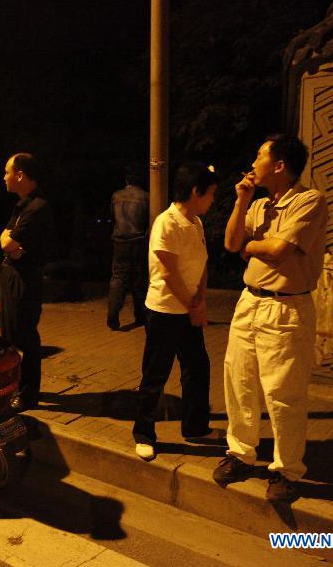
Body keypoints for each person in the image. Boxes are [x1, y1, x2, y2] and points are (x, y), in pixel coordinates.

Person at [214, 134, 328, 504]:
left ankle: (286, 470)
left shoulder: (309, 200)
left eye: (260, 155)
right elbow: (231, 243)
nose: (254, 162)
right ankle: (241, 453)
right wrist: (242, 200)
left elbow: (277, 251)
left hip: (286, 307)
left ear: (279, 165)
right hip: (250, 301)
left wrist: (252, 246)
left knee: (284, 393)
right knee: (239, 380)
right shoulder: (259, 204)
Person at [132, 162, 220, 461]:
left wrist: (202, 300)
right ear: (195, 192)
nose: (212, 200)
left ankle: (195, 427)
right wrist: (194, 307)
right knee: (155, 373)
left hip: (189, 308)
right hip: (165, 311)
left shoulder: (195, 223)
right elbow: (168, 273)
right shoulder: (166, 223)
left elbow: (203, 263)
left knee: (197, 368)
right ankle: (143, 433)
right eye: (210, 194)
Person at [0, 153, 53, 411]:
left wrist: (11, 244)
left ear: (20, 174)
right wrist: (10, 244)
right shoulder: (22, 205)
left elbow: (8, 242)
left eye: (7, 172)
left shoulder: (37, 207)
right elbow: (4, 240)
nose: (5, 177)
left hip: (25, 278)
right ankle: (14, 387)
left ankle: (28, 394)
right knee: (10, 334)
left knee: (24, 335)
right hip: (12, 274)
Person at [107, 167, 149, 330]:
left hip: (119, 242)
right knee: (140, 279)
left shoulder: (116, 196)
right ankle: (140, 315)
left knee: (118, 278)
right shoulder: (146, 197)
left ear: (127, 180)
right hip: (138, 242)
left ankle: (112, 315)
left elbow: (112, 217)